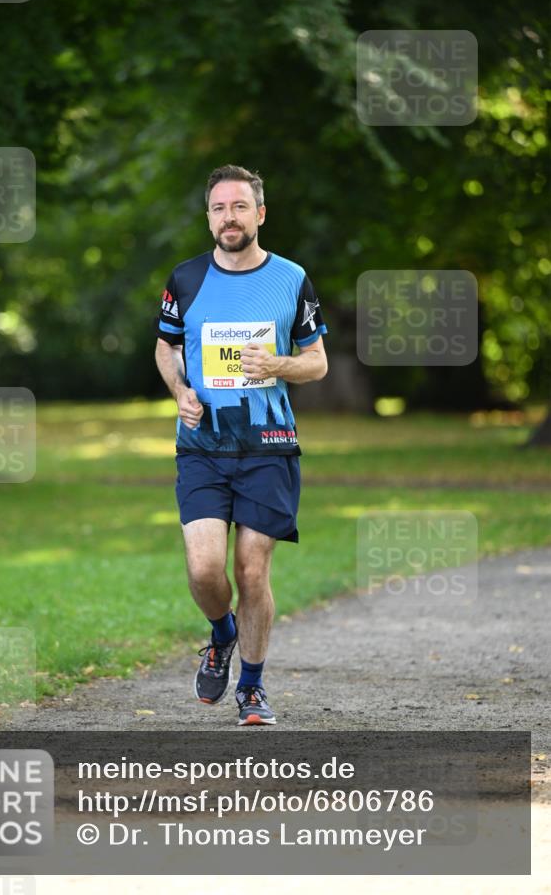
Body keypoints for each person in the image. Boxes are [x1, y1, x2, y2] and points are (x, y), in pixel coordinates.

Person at [155, 164, 328, 726]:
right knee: (206, 570)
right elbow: (166, 348)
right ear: (208, 218)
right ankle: (222, 633)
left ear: (259, 212)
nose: (228, 217)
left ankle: (251, 688)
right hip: (202, 446)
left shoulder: (291, 279)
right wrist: (180, 389)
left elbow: (318, 361)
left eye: (238, 206)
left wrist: (277, 363)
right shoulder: (185, 279)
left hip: (269, 447)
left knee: (253, 571)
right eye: (218, 208)